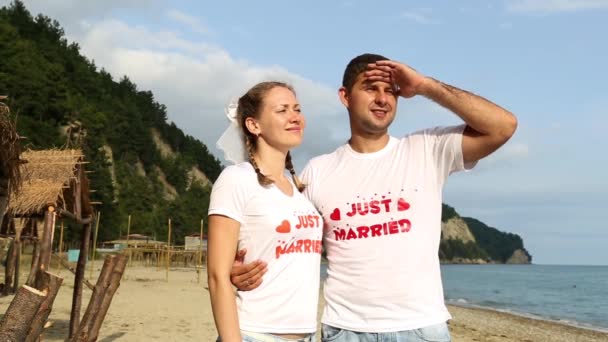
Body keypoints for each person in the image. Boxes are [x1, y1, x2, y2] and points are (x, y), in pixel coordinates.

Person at [232, 54, 517, 341]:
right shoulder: (318, 171)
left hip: (421, 328)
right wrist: (237, 264)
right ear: (345, 96)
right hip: (345, 330)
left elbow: (503, 126)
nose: (383, 98)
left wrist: (425, 86)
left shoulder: (427, 149)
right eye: (371, 88)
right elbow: (287, 233)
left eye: (391, 90)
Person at [207, 81, 323, 342]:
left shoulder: (299, 192)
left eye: (297, 109)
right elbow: (217, 276)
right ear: (253, 125)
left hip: (306, 335)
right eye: (282, 110)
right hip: (255, 333)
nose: (295, 117)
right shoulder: (236, 179)